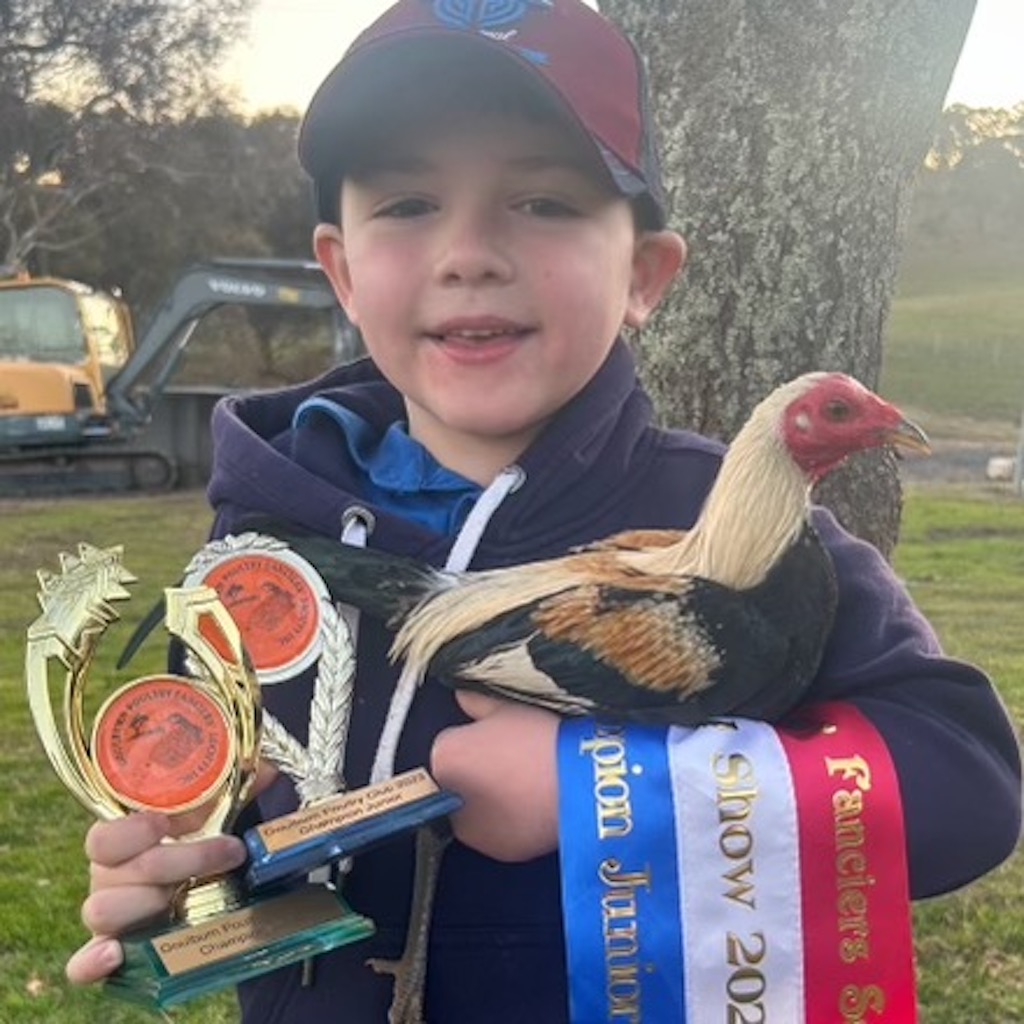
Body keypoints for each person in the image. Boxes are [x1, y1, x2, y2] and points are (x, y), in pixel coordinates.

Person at [66, 1, 1021, 1021]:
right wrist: (181, 883)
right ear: (341, 271)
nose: (469, 251)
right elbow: (225, 825)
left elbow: (964, 785)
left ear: (644, 276)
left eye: (543, 202)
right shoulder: (256, 556)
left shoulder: (764, 551)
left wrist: (604, 790)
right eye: (406, 204)